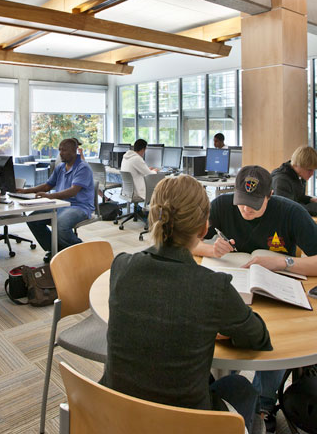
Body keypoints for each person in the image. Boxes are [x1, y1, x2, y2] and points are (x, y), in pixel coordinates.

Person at [100, 174, 270, 434]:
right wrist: (217, 330)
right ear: (204, 229)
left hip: (116, 415)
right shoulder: (213, 287)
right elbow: (258, 337)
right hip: (185, 425)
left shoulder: (121, 266)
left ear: (152, 216)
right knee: (239, 387)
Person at [195, 165, 317, 432]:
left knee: (275, 341)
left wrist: (282, 262)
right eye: (241, 203)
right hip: (231, 288)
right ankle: (221, 392)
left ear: (270, 195)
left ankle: (263, 404)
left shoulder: (291, 212)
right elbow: (186, 243)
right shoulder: (221, 206)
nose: (245, 210)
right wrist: (210, 248)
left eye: (253, 204)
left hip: (274, 292)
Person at [18, 138, 94, 261]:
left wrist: (49, 196)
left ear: (74, 151)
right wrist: (26, 191)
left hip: (79, 206)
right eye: (59, 150)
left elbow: (73, 191)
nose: (61, 153)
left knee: (60, 225)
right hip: (60, 205)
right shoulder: (60, 167)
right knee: (33, 219)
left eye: (64, 150)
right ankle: (55, 250)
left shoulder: (82, 167)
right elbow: (48, 185)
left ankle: (84, 253)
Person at [271, 146, 317, 220]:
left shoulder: (298, 175)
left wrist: (310, 199)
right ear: (296, 165)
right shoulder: (281, 180)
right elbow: (288, 208)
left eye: (313, 170)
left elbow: (295, 197)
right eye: (309, 170)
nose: (312, 174)